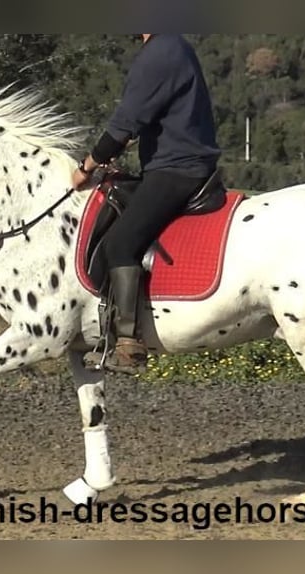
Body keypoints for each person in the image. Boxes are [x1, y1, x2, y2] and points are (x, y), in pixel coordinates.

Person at [73, 33, 221, 374]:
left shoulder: (161, 51)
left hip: (178, 170)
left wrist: (88, 167)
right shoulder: (173, 46)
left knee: (121, 243)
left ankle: (128, 345)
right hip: (174, 164)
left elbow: (125, 124)